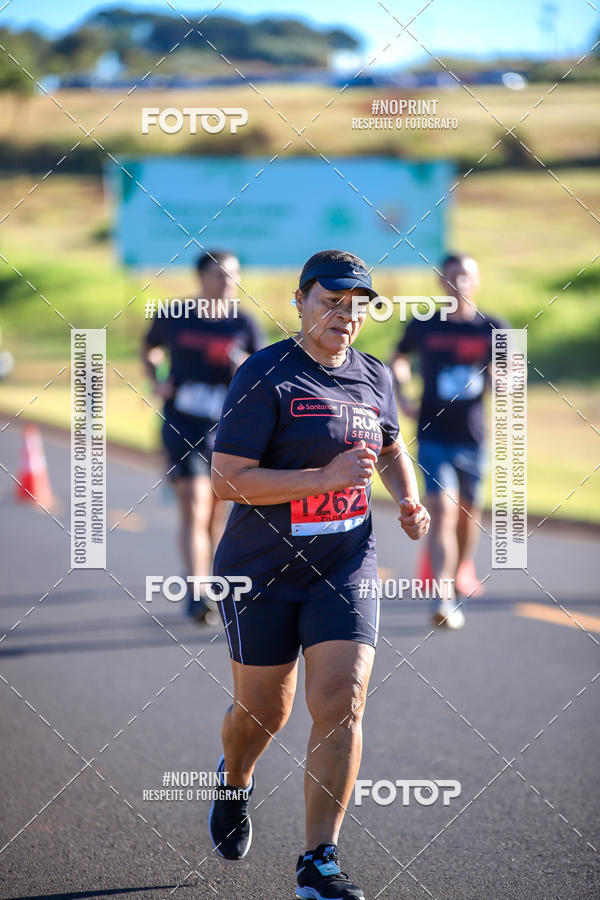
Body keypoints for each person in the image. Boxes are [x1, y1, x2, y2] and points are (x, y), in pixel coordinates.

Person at [207, 249, 430, 900]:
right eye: (331, 301)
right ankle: (236, 778)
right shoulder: (265, 372)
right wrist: (320, 479)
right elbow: (226, 479)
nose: (345, 315)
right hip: (262, 569)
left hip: (345, 561)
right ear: (299, 301)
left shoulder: (373, 376)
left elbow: (390, 447)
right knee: (263, 712)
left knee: (341, 700)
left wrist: (407, 498)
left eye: (357, 304)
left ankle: (318, 862)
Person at [141, 249, 265, 623]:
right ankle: (196, 592)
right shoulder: (176, 315)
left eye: (233, 274)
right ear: (201, 278)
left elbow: (264, 372)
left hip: (227, 429)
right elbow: (150, 349)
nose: (227, 281)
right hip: (184, 424)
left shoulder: (244, 322)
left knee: (215, 515)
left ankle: (209, 580)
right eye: (219, 274)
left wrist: (243, 366)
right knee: (194, 507)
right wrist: (157, 380)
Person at [391, 253, 508, 629]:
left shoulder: (492, 326)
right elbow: (398, 359)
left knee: (467, 515)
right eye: (453, 276)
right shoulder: (425, 322)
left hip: (473, 437)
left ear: (477, 281)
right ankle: (442, 597)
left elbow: (508, 371)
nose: (460, 282)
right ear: (442, 282)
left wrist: (501, 382)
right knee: (441, 509)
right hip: (432, 433)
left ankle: (458, 578)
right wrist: (403, 392)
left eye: (467, 276)